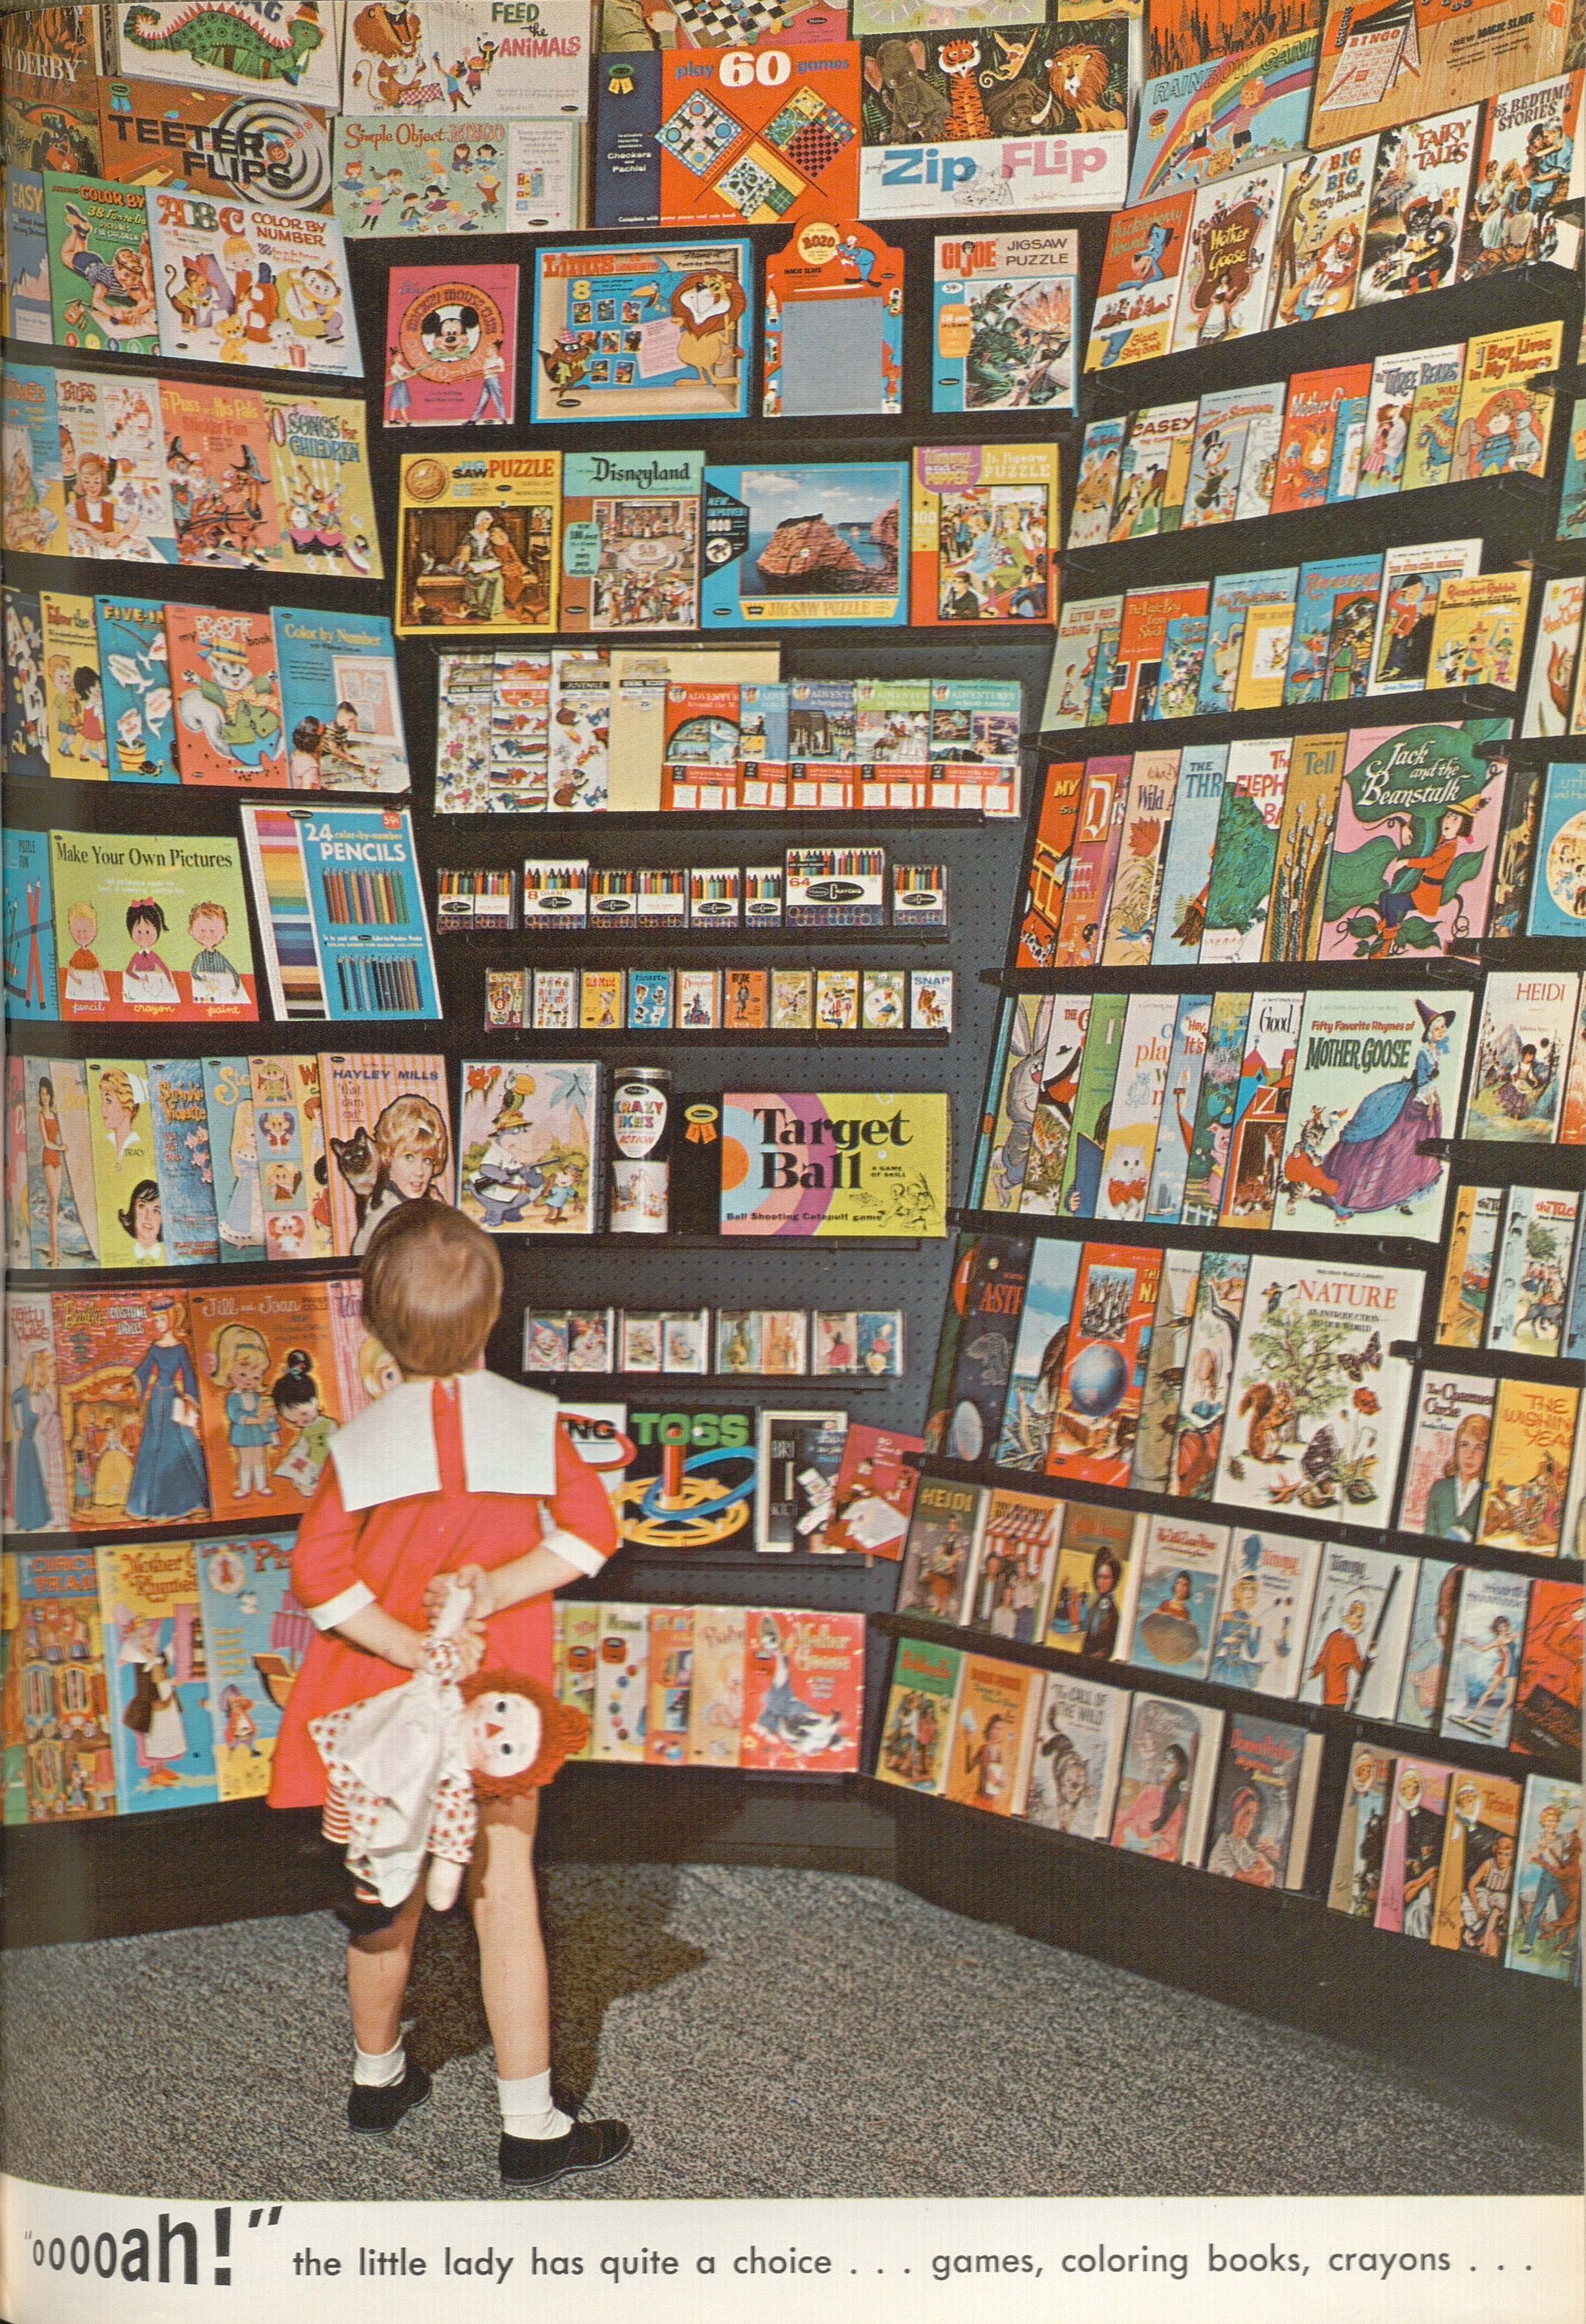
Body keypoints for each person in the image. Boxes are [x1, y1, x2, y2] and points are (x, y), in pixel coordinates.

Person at [268, 1203, 630, 2186]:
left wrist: (405, 1643)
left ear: (375, 1331)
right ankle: (530, 2123)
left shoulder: (359, 1447)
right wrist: (491, 1590)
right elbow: (592, 1535)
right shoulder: (533, 1422)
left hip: (378, 1699)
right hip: (493, 1702)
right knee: (501, 1889)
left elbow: (319, 1576)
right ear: (497, 1308)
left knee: (383, 1892)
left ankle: (377, 2076)